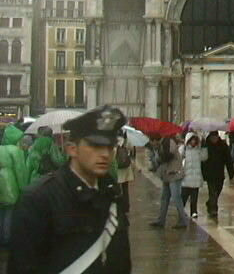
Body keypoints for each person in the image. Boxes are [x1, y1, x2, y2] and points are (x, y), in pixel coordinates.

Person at [9, 105, 132, 274]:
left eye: (109, 147)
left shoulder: (112, 194)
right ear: (72, 149)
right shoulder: (39, 198)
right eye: (95, 146)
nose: (104, 154)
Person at [150, 135, 189, 228]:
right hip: (167, 174)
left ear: (155, 139)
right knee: (164, 198)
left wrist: (157, 153)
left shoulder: (168, 142)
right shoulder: (162, 144)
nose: (152, 144)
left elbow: (168, 156)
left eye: (152, 141)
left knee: (176, 198)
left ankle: (183, 220)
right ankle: (161, 220)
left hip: (174, 173)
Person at [202, 132, 234, 218]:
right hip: (209, 174)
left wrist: (231, 172)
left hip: (220, 173)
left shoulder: (223, 145)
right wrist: (202, 173)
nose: (214, 139)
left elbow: (228, 160)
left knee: (218, 190)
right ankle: (213, 209)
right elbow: (202, 160)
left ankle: (210, 203)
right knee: (213, 192)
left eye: (215, 137)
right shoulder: (206, 145)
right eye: (212, 137)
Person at [180, 133, 206, 219]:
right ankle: (180, 210)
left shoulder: (198, 150)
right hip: (186, 178)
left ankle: (194, 211)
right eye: (192, 140)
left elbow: (204, 157)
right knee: (183, 197)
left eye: (195, 140)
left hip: (196, 178)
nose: (193, 142)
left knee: (194, 197)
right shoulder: (184, 149)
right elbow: (179, 157)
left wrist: (204, 146)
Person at [113, 134, 135, 214]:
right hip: (126, 168)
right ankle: (126, 206)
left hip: (118, 168)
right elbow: (131, 149)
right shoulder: (127, 140)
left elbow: (113, 154)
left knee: (118, 189)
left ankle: (119, 207)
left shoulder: (114, 141)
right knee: (125, 189)